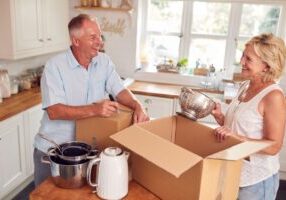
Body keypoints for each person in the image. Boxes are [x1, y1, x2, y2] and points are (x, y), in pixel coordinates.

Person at [33, 14, 149, 186]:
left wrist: (137, 105)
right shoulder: (54, 67)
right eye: (93, 37)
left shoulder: (104, 62)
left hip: (88, 151)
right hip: (55, 152)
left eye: (100, 36)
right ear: (76, 41)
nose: (99, 42)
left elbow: (120, 90)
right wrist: (95, 109)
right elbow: (54, 111)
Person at [211, 33, 286, 200]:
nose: (242, 62)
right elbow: (242, 128)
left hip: (256, 181)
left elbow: (274, 146)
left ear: (267, 65)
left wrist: (236, 137)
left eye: (248, 59)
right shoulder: (246, 85)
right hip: (235, 172)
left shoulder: (273, 97)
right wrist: (222, 119)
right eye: (243, 56)